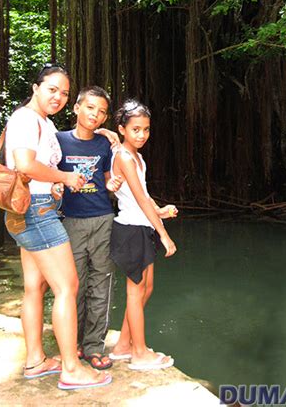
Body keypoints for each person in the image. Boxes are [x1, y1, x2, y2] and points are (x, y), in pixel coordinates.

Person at [4, 63, 112, 390]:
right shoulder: (25, 118)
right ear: (36, 87)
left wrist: (55, 182)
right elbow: (24, 164)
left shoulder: (43, 123)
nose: (59, 97)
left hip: (30, 208)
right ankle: (70, 368)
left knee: (34, 287)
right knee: (68, 286)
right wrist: (64, 177)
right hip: (37, 212)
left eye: (64, 92)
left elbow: (40, 167)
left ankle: (36, 359)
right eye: (52, 89)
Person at [108, 99, 178, 370]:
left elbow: (143, 197)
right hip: (130, 230)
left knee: (146, 288)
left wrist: (159, 212)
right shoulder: (124, 157)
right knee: (136, 293)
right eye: (135, 129)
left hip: (141, 226)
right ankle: (139, 354)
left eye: (146, 129)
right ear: (122, 129)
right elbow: (136, 198)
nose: (141, 134)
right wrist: (164, 235)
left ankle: (123, 346)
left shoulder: (138, 157)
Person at [56, 86, 122, 371]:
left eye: (102, 111)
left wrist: (111, 185)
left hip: (103, 219)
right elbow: (46, 173)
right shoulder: (57, 141)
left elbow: (108, 179)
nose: (95, 114)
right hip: (70, 221)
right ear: (76, 108)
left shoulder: (104, 145)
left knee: (101, 285)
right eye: (90, 107)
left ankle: (94, 346)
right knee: (73, 285)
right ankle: (72, 344)